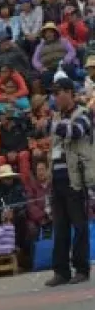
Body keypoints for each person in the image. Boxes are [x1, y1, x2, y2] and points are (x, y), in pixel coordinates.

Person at [44, 77, 92, 286]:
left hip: (76, 179)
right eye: (54, 93)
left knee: (79, 225)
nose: (56, 97)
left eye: (59, 92)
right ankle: (61, 271)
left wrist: (50, 125)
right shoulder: (55, 117)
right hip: (57, 179)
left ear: (70, 92)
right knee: (60, 227)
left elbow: (75, 132)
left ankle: (81, 268)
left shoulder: (84, 114)